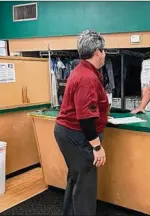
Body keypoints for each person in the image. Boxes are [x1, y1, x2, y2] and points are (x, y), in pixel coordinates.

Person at [54, 30, 109, 215]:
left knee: (76, 178)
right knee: (85, 183)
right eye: (104, 50)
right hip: (77, 135)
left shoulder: (83, 70)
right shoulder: (87, 78)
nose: (105, 54)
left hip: (69, 132)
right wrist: (97, 147)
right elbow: (85, 118)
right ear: (97, 52)